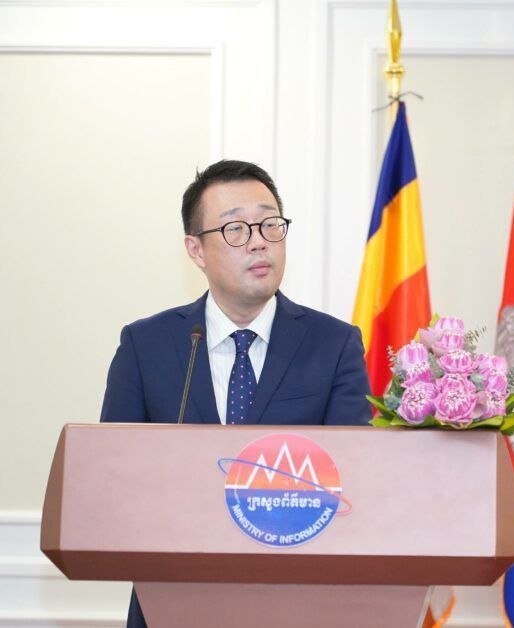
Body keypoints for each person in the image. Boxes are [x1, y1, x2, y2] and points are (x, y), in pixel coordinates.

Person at [100, 159, 372, 627]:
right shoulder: (147, 346)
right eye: (236, 230)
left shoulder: (333, 345)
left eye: (270, 224)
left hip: (298, 603)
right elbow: (113, 475)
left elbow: (356, 478)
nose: (259, 241)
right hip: (173, 599)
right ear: (196, 249)